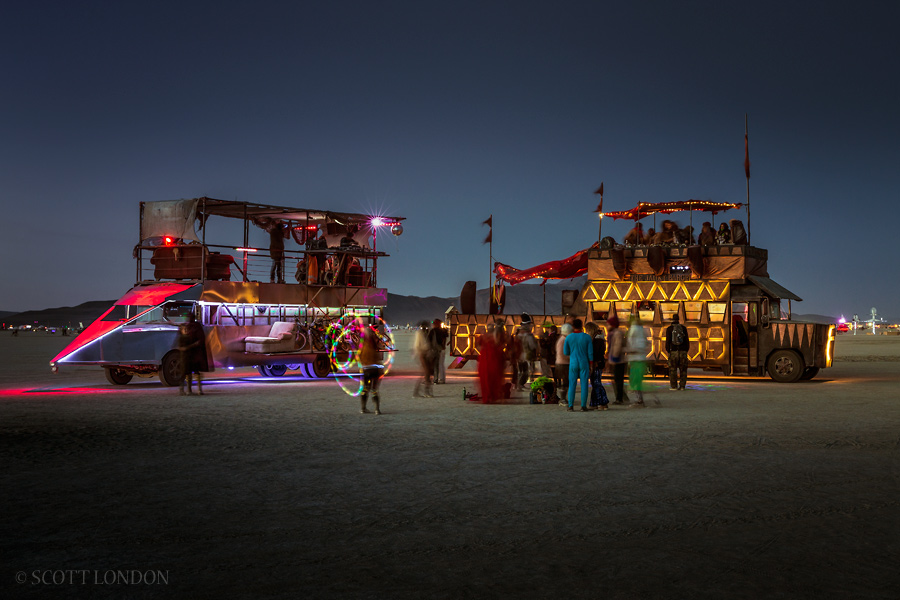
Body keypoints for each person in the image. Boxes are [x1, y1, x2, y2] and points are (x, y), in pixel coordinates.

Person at [563, 319, 593, 412]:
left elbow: (565, 352)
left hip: (573, 362)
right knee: (584, 384)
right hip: (584, 362)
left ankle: (570, 406)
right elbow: (590, 353)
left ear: (572, 326)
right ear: (582, 325)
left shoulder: (568, 338)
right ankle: (583, 406)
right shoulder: (587, 337)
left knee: (572, 384)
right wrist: (591, 364)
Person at [178, 312, 208, 396]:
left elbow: (200, 340)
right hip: (190, 353)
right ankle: (191, 389)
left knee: (194, 372)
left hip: (195, 353)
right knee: (189, 372)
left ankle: (195, 389)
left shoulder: (194, 326)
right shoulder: (190, 327)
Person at [358, 326, 384, 414]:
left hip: (366, 370)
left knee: (365, 389)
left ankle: (363, 408)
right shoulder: (373, 344)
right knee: (374, 390)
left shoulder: (362, 345)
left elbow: (359, 357)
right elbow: (377, 356)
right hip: (375, 369)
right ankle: (377, 410)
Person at [476, 322, 504, 403]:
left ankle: (487, 396)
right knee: (493, 378)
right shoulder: (494, 336)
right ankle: (492, 396)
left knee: (486, 379)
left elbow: (477, 345)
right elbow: (499, 344)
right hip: (493, 359)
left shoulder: (484, 336)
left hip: (485, 359)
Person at [625, 315, 649, 407]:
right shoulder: (642, 329)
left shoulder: (633, 330)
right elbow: (646, 342)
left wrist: (628, 350)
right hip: (642, 357)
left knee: (635, 380)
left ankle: (639, 400)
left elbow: (631, 344)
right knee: (638, 379)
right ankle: (640, 399)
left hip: (634, 358)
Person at [584, 322, 610, 410]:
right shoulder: (599, 338)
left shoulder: (597, 340)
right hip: (598, 362)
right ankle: (594, 403)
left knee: (596, 383)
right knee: (595, 382)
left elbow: (596, 352)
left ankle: (603, 402)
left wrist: (593, 361)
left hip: (596, 363)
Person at [606, 316, 628, 404]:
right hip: (616, 359)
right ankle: (621, 397)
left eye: (609, 324)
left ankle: (619, 398)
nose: (607, 326)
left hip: (618, 360)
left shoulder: (617, 333)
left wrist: (614, 358)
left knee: (618, 379)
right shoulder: (613, 333)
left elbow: (617, 346)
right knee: (617, 379)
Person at [665, 314, 690, 390]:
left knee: (673, 370)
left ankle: (674, 386)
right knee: (683, 370)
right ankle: (682, 386)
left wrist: (669, 351)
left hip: (673, 351)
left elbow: (667, 342)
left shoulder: (669, 329)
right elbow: (687, 341)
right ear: (678, 319)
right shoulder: (683, 328)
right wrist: (685, 350)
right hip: (683, 352)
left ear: (672, 319)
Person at [412, 321, 436, 398]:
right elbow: (417, 345)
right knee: (426, 372)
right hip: (422, 354)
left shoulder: (428, 333)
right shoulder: (419, 333)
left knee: (426, 373)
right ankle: (426, 391)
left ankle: (418, 391)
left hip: (428, 354)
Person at [516, 322, 538, 389]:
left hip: (518, 355)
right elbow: (532, 346)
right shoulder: (528, 336)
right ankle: (520, 384)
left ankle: (519, 385)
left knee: (520, 370)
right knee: (525, 371)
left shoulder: (518, 336)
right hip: (526, 355)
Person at [428, 318, 449, 384]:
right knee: (441, 365)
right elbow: (445, 339)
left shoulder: (433, 331)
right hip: (442, 349)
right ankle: (441, 379)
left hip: (436, 350)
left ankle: (436, 379)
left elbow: (428, 340)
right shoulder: (444, 331)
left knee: (436, 365)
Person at [555, 323, 572, 403]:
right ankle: (562, 398)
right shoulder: (563, 340)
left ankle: (563, 398)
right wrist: (570, 358)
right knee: (565, 382)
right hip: (563, 364)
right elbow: (562, 353)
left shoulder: (562, 339)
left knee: (565, 381)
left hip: (561, 363)